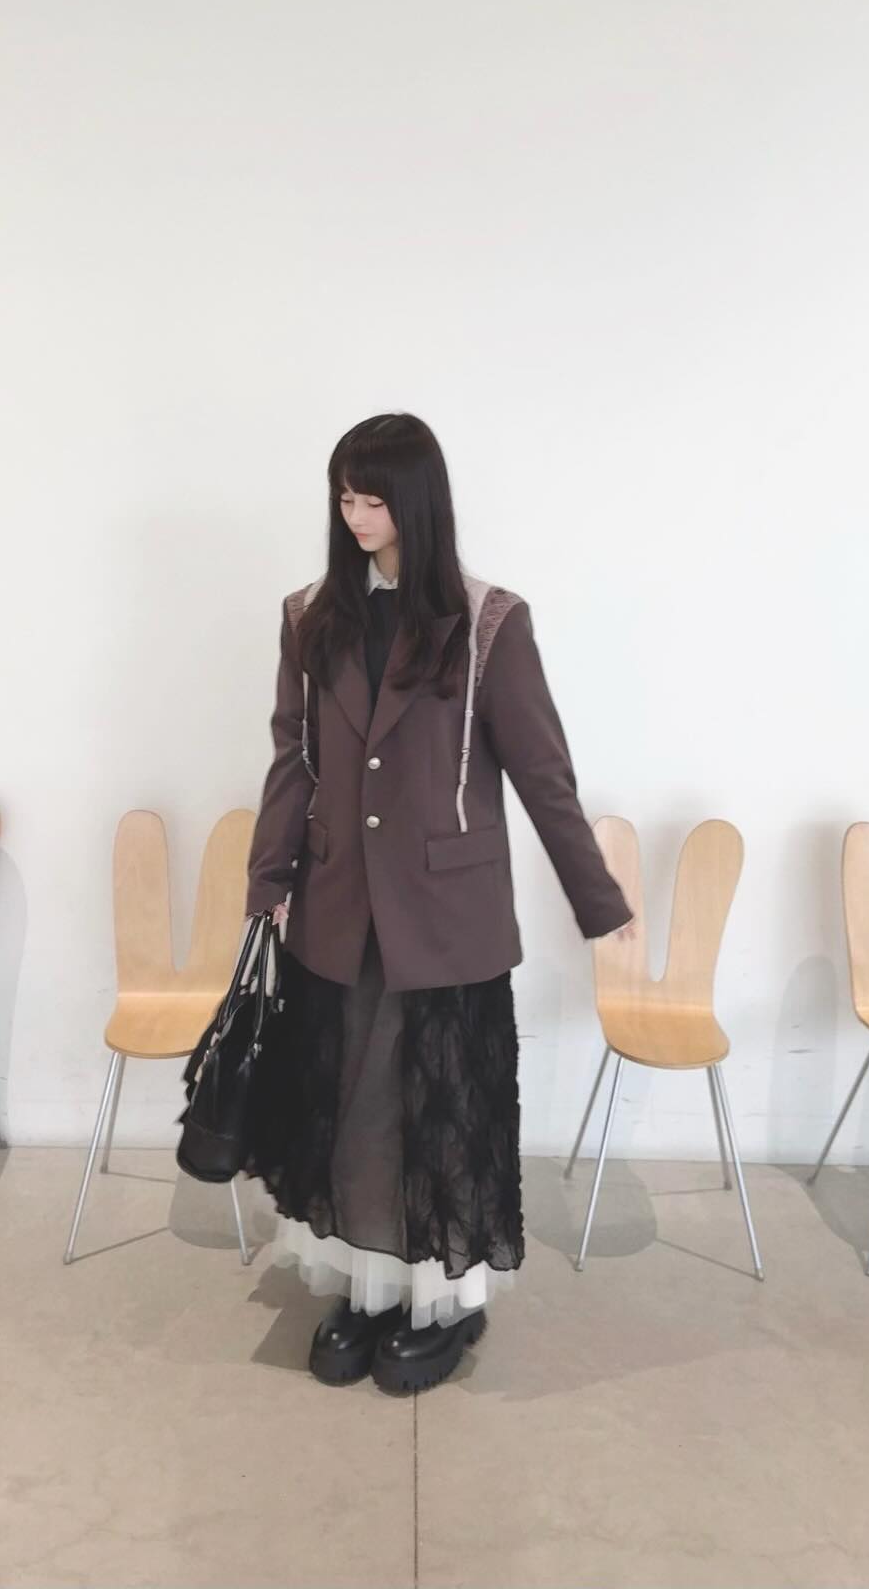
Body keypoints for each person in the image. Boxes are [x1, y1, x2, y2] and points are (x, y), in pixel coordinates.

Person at [241, 411, 638, 1394]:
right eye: (344, 496)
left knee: (436, 1111)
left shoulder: (489, 622)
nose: (355, 516)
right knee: (349, 1108)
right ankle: (365, 1288)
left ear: (416, 503)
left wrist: (599, 901)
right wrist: (269, 879)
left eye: (373, 499)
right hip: (337, 907)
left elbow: (542, 773)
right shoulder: (310, 615)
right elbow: (294, 759)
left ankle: (442, 1303)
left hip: (446, 916)